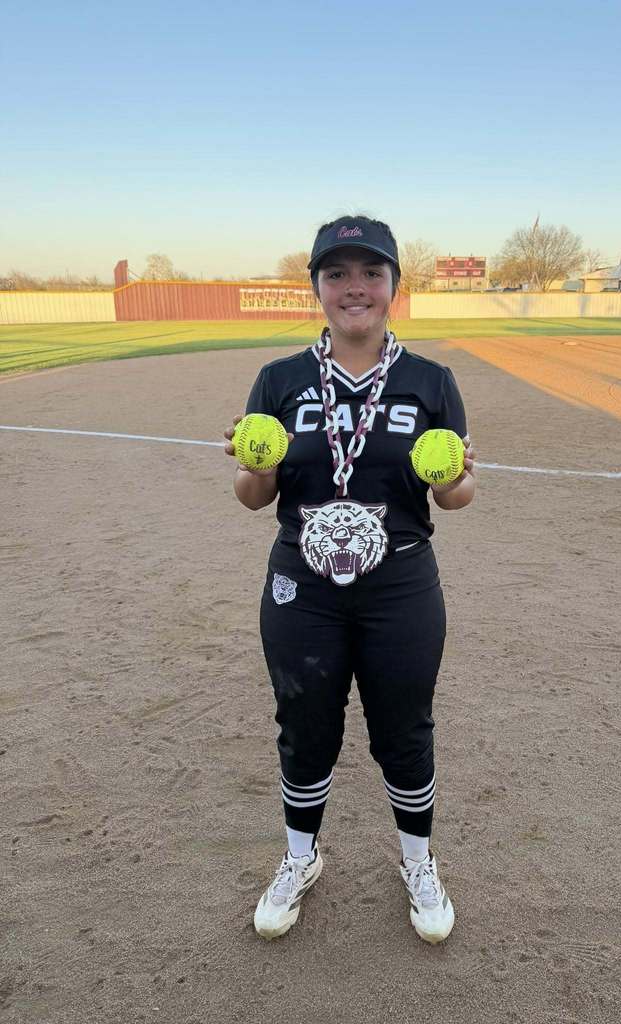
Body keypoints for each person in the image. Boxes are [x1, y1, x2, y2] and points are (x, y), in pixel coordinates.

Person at [224, 215, 476, 944]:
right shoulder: (281, 380)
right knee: (305, 726)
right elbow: (253, 498)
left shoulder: (432, 381)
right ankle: (300, 858)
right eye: (337, 274)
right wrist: (257, 466)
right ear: (317, 288)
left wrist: (459, 478)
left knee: (405, 728)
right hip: (302, 588)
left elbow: (454, 499)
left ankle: (418, 863)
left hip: (400, 586)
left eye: (371, 272)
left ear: (395, 285)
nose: (354, 287)